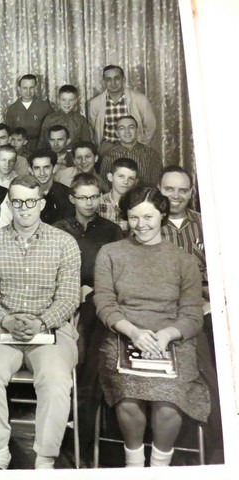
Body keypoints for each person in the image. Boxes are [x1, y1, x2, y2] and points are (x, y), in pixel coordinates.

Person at [93, 186, 210, 467]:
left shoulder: (183, 261)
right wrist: (133, 332)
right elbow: (105, 303)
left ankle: (159, 466)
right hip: (123, 336)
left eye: (148, 217)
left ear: (162, 215)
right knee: (129, 397)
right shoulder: (110, 253)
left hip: (172, 341)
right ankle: (134, 464)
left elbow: (192, 315)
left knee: (169, 401)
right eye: (134, 217)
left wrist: (168, 334)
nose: (141, 225)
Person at [0, 175, 81, 470]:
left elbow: (69, 297)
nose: (24, 208)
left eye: (30, 202)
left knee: (56, 380)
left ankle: (45, 459)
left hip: (51, 330)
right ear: (9, 204)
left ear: (41, 204)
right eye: (17, 202)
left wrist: (42, 322)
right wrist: (6, 319)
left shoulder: (64, 243)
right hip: (1, 328)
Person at [53, 174, 123, 461]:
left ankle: (82, 435)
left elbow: (118, 273)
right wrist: (73, 289)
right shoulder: (58, 229)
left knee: (90, 354)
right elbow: (50, 269)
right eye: (83, 197)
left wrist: (92, 290)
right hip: (62, 300)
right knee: (69, 354)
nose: (89, 202)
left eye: (94, 196)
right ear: (72, 198)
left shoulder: (111, 230)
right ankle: (61, 426)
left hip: (97, 301)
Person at [158, 165, 222, 463]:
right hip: (166, 312)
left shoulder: (208, 225)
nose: (176, 195)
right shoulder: (148, 224)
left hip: (206, 307)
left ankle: (217, 443)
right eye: (169, 189)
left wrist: (209, 301)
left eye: (182, 190)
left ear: (191, 192)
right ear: (159, 189)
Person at [88, 65, 156, 156]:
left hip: (133, 147)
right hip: (107, 148)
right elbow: (93, 127)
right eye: (108, 79)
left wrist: (141, 145)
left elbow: (150, 126)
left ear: (123, 79)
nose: (113, 83)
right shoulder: (95, 103)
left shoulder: (140, 99)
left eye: (117, 78)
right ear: (104, 82)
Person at [0, 149, 74, 227]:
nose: (42, 173)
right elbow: (4, 224)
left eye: (46, 167)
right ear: (30, 170)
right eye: (37, 168)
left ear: (54, 168)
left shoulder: (67, 195)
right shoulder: (19, 193)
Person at [99, 115, 162, 186]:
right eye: (122, 128)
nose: (127, 131)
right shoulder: (108, 156)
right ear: (117, 133)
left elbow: (157, 183)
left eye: (131, 127)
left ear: (137, 131)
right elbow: (105, 185)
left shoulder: (151, 154)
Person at [4, 74, 54, 145]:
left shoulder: (45, 107)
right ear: (19, 88)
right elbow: (9, 133)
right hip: (19, 148)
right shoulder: (12, 109)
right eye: (25, 88)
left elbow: (52, 131)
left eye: (31, 88)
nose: (28, 92)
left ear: (35, 88)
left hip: (41, 147)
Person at [38, 84, 91, 149]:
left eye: (71, 100)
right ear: (58, 100)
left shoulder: (81, 120)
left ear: (75, 101)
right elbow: (42, 144)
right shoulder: (49, 119)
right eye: (63, 100)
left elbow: (87, 144)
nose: (67, 103)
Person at [98, 157, 139, 234]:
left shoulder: (138, 205)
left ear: (136, 181)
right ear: (110, 177)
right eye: (121, 176)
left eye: (131, 178)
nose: (125, 182)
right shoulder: (98, 203)